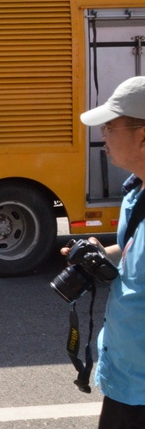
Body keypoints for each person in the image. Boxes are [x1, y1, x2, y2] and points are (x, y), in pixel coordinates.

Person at [72, 76, 145, 427]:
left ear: (142, 137)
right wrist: (104, 253)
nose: (103, 136)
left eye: (110, 128)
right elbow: (135, 252)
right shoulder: (136, 193)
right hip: (126, 376)